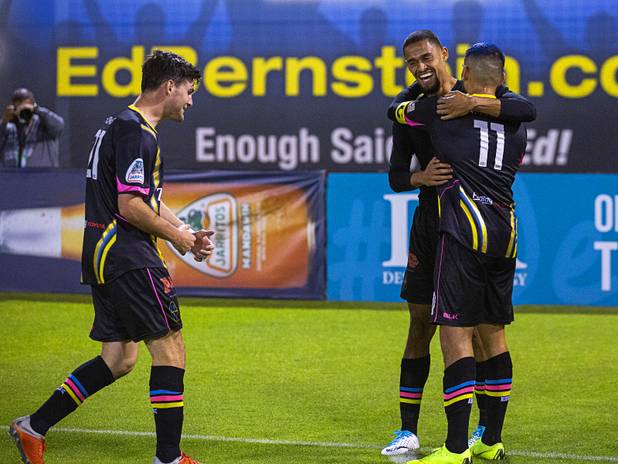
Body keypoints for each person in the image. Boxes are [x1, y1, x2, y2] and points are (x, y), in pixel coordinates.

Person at [8, 50, 214, 464]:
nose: (191, 101)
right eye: (189, 91)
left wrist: (183, 232)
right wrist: (179, 238)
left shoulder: (121, 124)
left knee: (119, 358)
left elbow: (146, 198)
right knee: (170, 347)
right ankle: (169, 458)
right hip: (128, 253)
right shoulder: (137, 132)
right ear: (169, 86)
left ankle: (32, 427)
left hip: (103, 252)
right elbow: (131, 206)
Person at [381, 30, 535, 456]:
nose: (420, 67)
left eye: (426, 58)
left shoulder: (442, 108)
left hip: (459, 225)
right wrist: (419, 177)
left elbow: (397, 112)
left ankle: (471, 439)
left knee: (467, 332)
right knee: (421, 322)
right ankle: (412, 431)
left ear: (448, 57)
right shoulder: (500, 109)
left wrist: (469, 102)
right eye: (411, 62)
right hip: (448, 222)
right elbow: (396, 174)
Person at [0, 88, 64, 167]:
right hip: (12, 177)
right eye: (19, 105)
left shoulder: (44, 125)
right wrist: (4, 121)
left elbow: (59, 126)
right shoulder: (8, 128)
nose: (23, 110)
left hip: (43, 177)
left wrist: (37, 109)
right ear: (14, 108)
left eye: (26, 106)